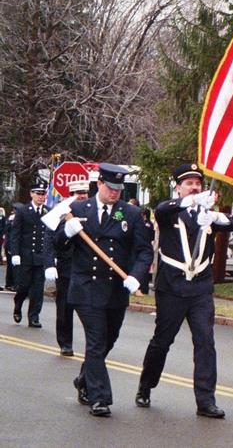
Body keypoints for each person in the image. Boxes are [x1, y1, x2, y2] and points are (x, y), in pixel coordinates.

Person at [135, 164, 233, 419]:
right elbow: (160, 209)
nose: (195, 187)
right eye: (189, 183)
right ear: (178, 187)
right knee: (162, 340)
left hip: (200, 288)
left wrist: (215, 217)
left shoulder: (206, 214)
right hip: (171, 287)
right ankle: (146, 386)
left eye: (198, 183)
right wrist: (192, 201)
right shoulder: (170, 212)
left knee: (205, 343)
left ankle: (206, 401)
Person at [54, 163, 153, 417]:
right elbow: (57, 244)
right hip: (86, 287)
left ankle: (84, 379)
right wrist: (67, 231)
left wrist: (136, 276)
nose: (115, 192)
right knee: (96, 341)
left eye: (119, 188)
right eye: (110, 187)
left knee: (109, 339)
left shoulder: (129, 214)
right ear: (99, 184)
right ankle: (100, 398)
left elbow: (143, 250)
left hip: (115, 290)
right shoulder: (77, 209)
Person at [43, 179, 91, 356]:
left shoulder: (93, 210)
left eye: (84, 193)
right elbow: (49, 239)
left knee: (91, 309)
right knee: (65, 307)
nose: (81, 196)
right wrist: (49, 263)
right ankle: (65, 343)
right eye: (77, 193)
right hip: (67, 266)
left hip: (88, 267)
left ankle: (93, 344)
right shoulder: (61, 213)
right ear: (70, 195)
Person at [10, 178, 51, 327]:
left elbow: (50, 235)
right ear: (31, 194)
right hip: (25, 255)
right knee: (23, 287)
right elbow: (16, 234)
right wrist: (15, 253)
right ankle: (18, 304)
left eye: (43, 194)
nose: (41, 196)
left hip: (40, 256)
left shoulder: (48, 211)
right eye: (38, 193)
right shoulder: (22, 211)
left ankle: (34, 317)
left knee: (38, 290)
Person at [3, 204, 21, 291]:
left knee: (12, 266)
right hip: (11, 245)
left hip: (10, 244)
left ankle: (10, 283)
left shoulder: (11, 219)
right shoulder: (12, 219)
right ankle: (13, 284)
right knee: (14, 267)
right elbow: (10, 233)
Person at [139, 207, 155, 294]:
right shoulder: (149, 224)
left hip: (145, 246)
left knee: (144, 270)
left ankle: (143, 288)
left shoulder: (146, 224)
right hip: (148, 245)